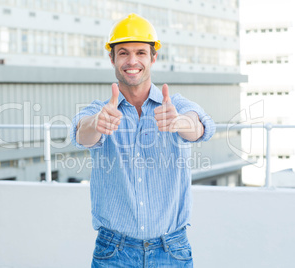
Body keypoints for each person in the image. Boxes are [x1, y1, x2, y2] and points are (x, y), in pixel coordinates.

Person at [71, 13, 216, 267]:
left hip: (171, 251)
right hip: (112, 253)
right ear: (112, 58)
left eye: (140, 52)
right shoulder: (101, 110)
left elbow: (202, 126)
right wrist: (96, 123)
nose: (132, 61)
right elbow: (80, 133)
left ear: (153, 57)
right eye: (124, 53)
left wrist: (179, 122)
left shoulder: (176, 105)